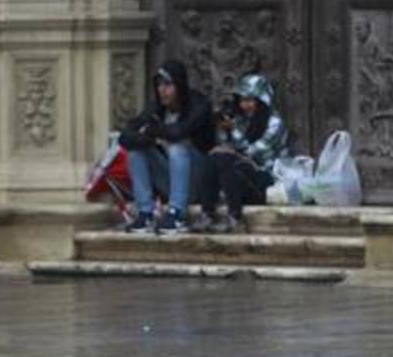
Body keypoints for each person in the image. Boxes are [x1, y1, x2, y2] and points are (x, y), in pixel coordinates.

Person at [118, 59, 215, 234]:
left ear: (180, 85)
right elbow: (125, 137)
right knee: (136, 152)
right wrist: (150, 139)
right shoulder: (157, 107)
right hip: (170, 178)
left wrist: (153, 130)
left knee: (177, 148)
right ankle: (145, 212)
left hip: (199, 178)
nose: (163, 90)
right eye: (159, 85)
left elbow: (179, 132)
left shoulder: (199, 104)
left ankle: (177, 214)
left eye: (168, 85)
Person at [195, 73, 289, 233]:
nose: (246, 105)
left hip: (264, 181)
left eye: (250, 100)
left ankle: (235, 217)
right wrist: (224, 130)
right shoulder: (240, 120)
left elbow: (254, 153)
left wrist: (234, 133)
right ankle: (207, 213)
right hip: (235, 177)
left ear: (262, 102)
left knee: (224, 157)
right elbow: (225, 148)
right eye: (243, 100)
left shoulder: (275, 123)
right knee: (214, 157)